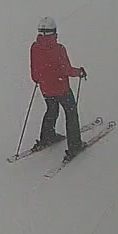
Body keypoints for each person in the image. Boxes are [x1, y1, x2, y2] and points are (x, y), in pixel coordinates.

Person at [30, 17, 88, 159]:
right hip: (61, 89)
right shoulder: (58, 49)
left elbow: (34, 69)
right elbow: (66, 70)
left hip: (45, 89)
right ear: (54, 31)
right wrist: (79, 72)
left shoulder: (35, 47)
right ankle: (75, 145)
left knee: (51, 109)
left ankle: (47, 136)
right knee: (71, 113)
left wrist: (38, 80)